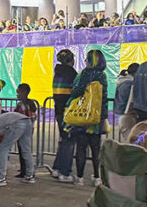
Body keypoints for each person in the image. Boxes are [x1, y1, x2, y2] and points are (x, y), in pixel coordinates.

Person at [66, 50, 109, 186]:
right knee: (96, 149)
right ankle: (97, 177)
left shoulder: (85, 74)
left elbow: (76, 91)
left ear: (91, 60)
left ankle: (79, 178)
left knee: (81, 148)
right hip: (97, 117)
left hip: (83, 116)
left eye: (86, 59)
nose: (85, 61)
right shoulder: (103, 76)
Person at [0, 107, 37, 187]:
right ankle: (30, 175)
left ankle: (0, 178)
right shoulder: (0, 119)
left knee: (3, 148)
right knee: (26, 150)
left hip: (16, 124)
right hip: (27, 122)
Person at [50, 50, 79, 183]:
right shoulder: (71, 73)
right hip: (68, 112)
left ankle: (57, 168)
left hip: (58, 111)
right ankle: (65, 172)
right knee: (69, 141)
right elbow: (76, 91)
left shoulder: (58, 72)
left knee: (63, 139)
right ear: (70, 60)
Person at [113, 63, 139, 139]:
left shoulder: (121, 82)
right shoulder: (130, 84)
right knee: (131, 140)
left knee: (128, 139)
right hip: (128, 115)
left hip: (122, 114)